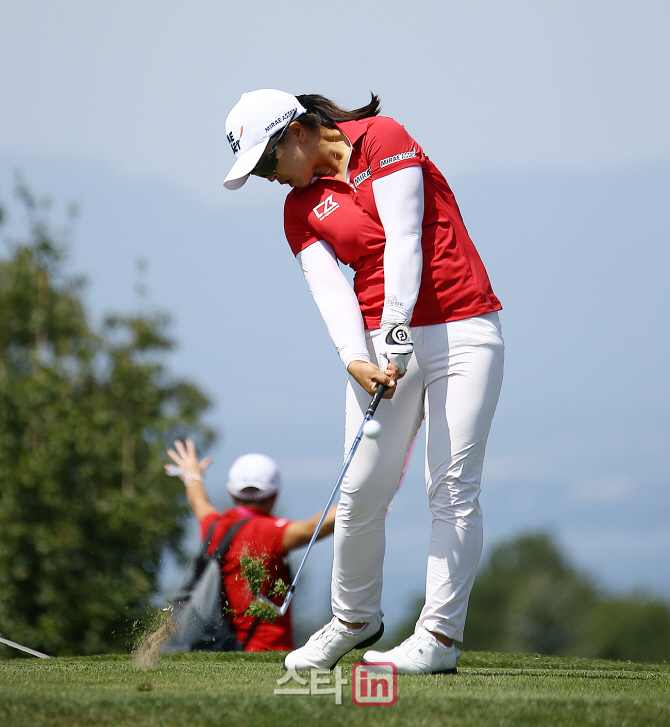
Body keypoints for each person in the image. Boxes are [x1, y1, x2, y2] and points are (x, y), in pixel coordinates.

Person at [222, 90, 505, 674]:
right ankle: (354, 619)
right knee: (359, 490)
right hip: (380, 343)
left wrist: (398, 330)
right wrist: (356, 356)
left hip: (462, 327)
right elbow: (327, 288)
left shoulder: (384, 137)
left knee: (451, 490)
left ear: (295, 134)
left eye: (266, 163)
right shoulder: (298, 208)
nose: (268, 178)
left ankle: (439, 638)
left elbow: (406, 239)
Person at [165, 438, 336, 652]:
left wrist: (192, 474)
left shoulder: (216, 526)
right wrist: (366, 500)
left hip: (225, 645)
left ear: (231, 492)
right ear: (274, 494)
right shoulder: (271, 532)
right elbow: (313, 527)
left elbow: (198, 501)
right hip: (267, 649)